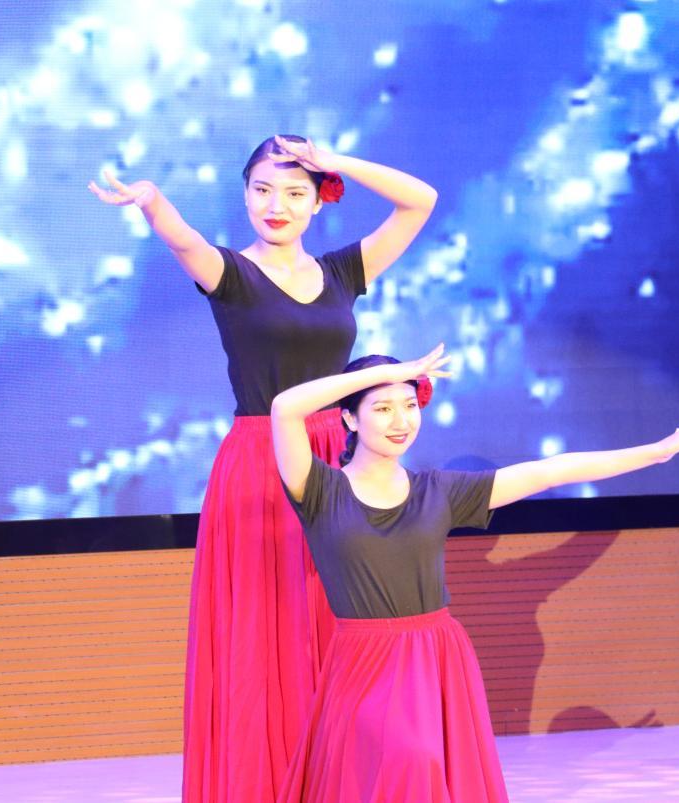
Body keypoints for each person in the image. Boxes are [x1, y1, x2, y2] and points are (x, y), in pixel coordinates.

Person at [90, 136, 437, 802]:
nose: (277, 205)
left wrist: (340, 163)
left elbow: (419, 202)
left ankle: (339, 781)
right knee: (265, 631)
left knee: (340, 620)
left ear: (318, 200)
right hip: (262, 464)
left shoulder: (342, 272)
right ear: (245, 194)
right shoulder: (230, 273)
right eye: (262, 190)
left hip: (338, 460)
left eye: (295, 192)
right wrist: (153, 202)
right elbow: (184, 240)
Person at [270, 344, 679, 801]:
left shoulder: (438, 491)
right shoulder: (319, 489)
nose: (401, 420)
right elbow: (285, 408)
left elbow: (549, 471)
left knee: (419, 761)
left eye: (409, 404)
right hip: (361, 660)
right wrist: (398, 371)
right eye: (382, 408)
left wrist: (653, 453)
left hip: (432, 654)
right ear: (349, 418)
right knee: (387, 767)